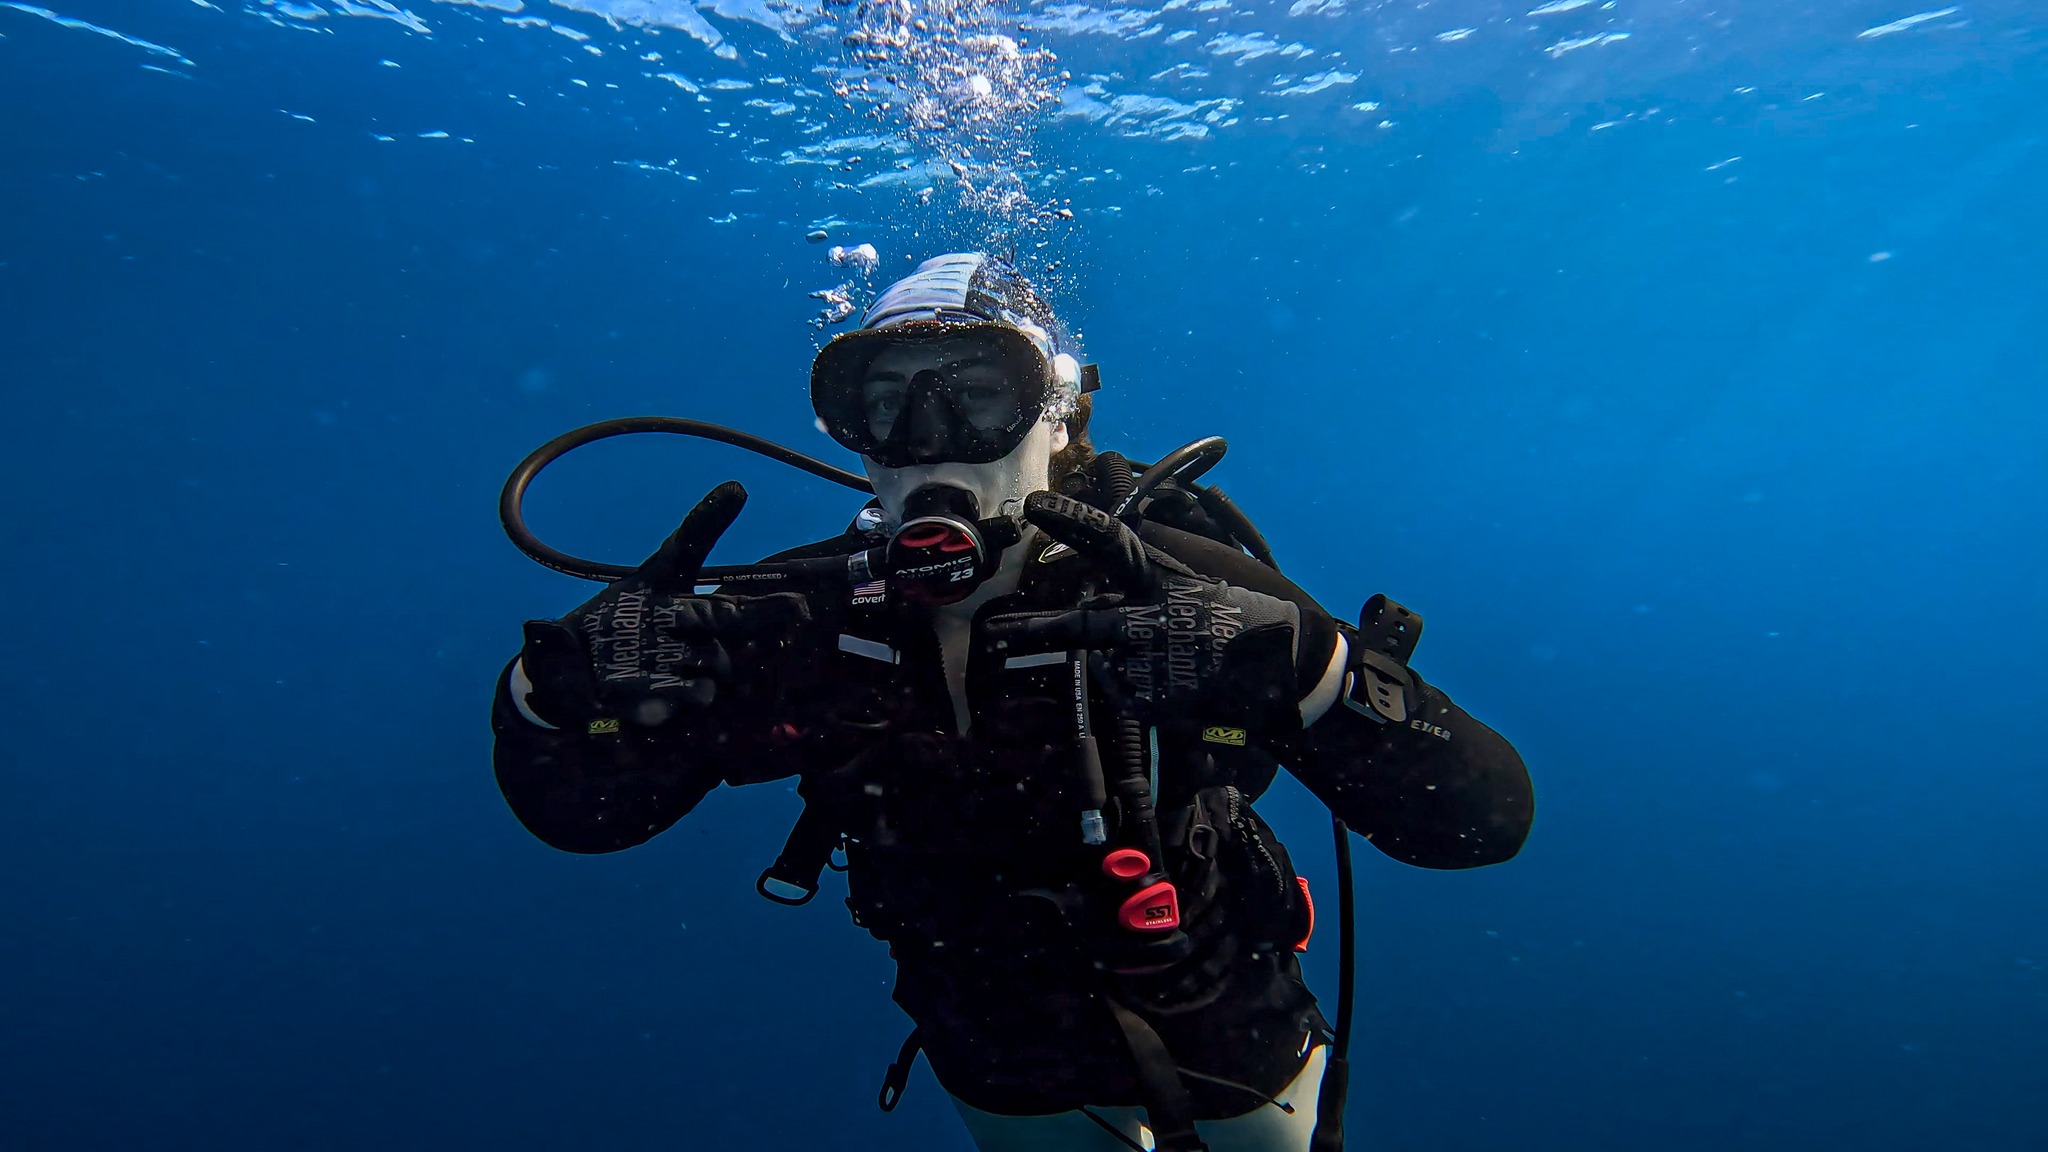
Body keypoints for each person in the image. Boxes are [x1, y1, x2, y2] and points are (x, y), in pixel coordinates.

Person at [492, 252, 1534, 1152]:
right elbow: (584, 820)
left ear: (1056, 409)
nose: (931, 436)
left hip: (1225, 1020)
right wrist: (551, 690)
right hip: (989, 1045)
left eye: (976, 393)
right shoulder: (802, 617)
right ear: (850, 428)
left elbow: (1479, 823)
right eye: (885, 400)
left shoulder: (1178, 585)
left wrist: (1311, 667)